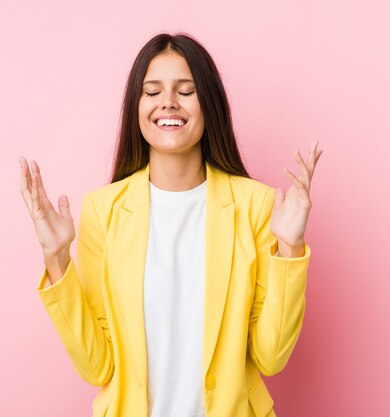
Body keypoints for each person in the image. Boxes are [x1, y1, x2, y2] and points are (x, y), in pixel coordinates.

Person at [18, 32, 322, 417]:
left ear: (209, 103)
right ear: (137, 106)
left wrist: (290, 249)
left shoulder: (256, 206)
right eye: (152, 91)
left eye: (186, 90)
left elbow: (270, 356)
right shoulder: (102, 210)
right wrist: (57, 258)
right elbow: (97, 366)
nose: (168, 103)